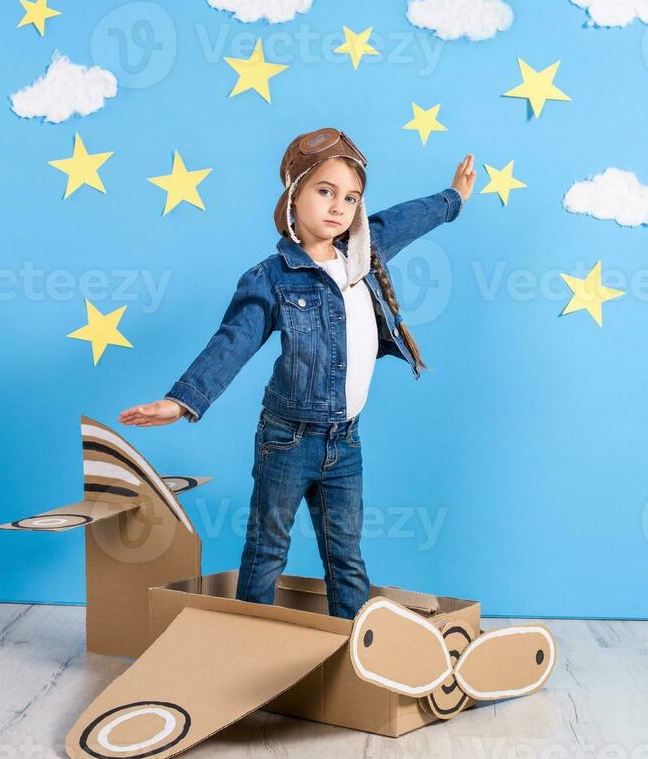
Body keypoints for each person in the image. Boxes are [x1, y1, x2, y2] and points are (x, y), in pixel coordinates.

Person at [119, 128, 476, 618]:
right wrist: (181, 401)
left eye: (350, 198)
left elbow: (407, 219)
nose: (338, 207)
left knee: (346, 557)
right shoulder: (272, 277)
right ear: (294, 193)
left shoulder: (363, 253)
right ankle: (248, 647)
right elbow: (234, 340)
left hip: (345, 441)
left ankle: (354, 657)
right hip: (286, 439)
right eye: (325, 191)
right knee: (268, 550)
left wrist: (453, 198)